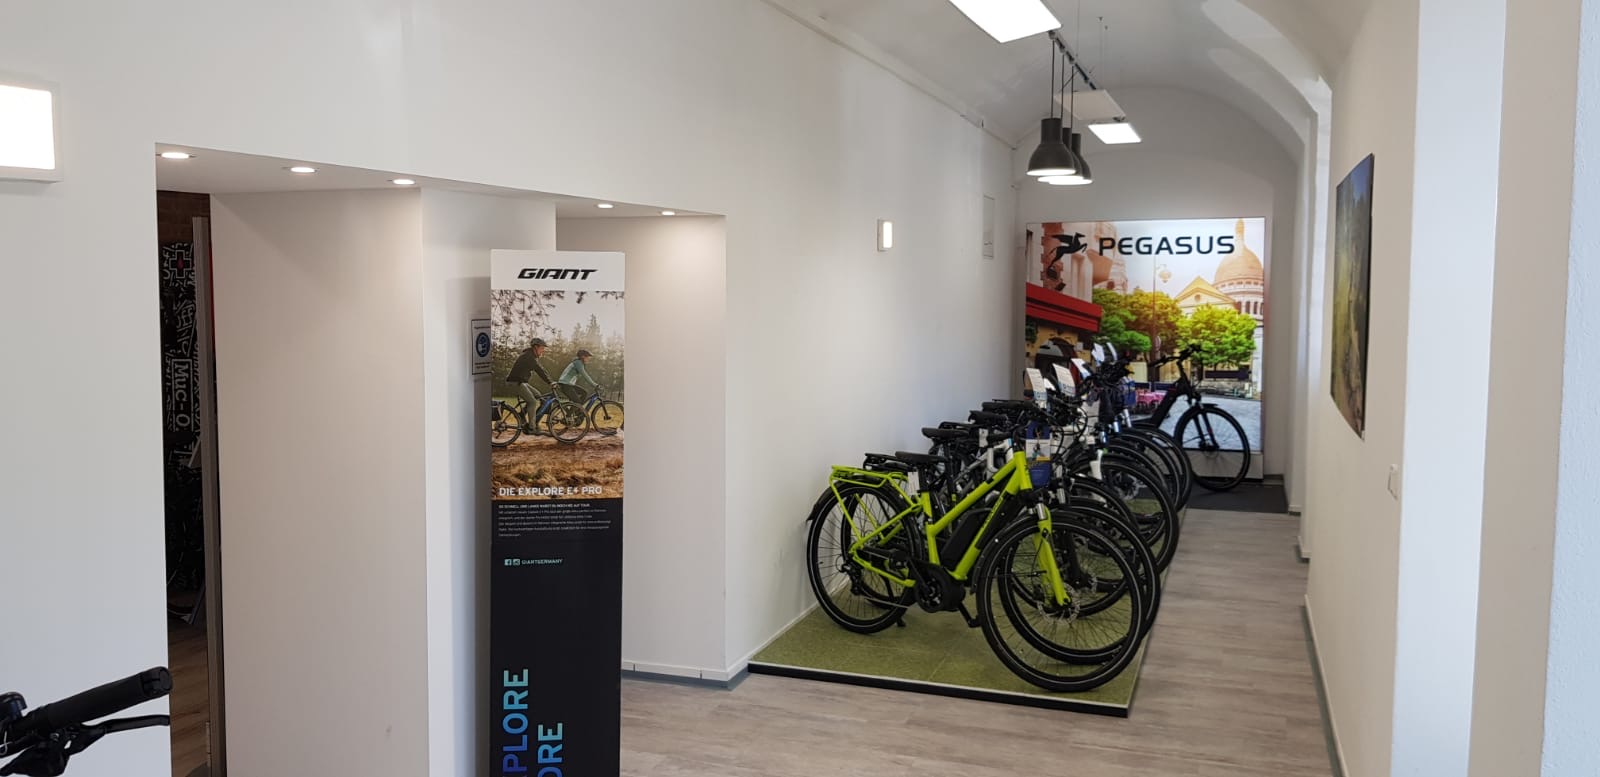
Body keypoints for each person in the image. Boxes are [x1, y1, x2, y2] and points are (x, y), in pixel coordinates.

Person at [506, 338, 555, 430]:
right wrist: (550, 382)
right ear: (535, 347)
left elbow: (542, 369)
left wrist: (551, 381)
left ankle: (522, 415)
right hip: (515, 382)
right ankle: (532, 427)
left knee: (539, 396)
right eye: (542, 348)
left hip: (521, 382)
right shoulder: (528, 357)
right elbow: (539, 370)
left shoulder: (531, 356)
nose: (543, 351)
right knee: (532, 402)